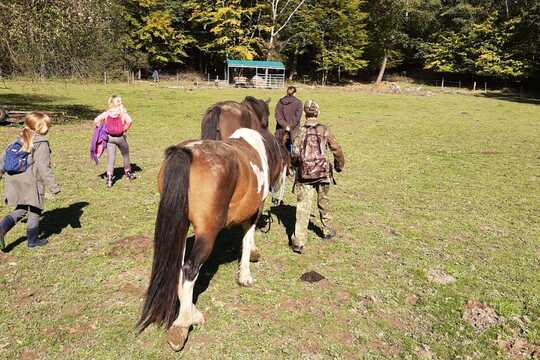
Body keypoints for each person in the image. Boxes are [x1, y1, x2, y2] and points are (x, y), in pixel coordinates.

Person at [290, 100, 345, 254]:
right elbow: (336, 149)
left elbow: (294, 154)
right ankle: (326, 231)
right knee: (324, 203)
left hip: (304, 175)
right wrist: (339, 165)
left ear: (304, 113)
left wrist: (295, 167)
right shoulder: (325, 129)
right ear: (318, 113)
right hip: (323, 174)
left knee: (302, 208)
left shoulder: (298, 131)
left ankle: (299, 242)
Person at [0, 112, 61, 250]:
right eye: (47, 125)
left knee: (21, 208)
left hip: (13, 180)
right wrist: (54, 186)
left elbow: (3, 159)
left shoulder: (17, 139)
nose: (49, 127)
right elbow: (43, 167)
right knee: (35, 208)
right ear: (40, 127)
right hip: (31, 181)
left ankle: (1, 230)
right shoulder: (41, 143)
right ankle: (32, 240)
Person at [94, 95, 136, 188]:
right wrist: (124, 129)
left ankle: (109, 178)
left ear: (111, 103)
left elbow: (96, 120)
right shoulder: (122, 113)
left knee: (111, 158)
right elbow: (130, 121)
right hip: (121, 137)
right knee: (125, 154)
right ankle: (128, 173)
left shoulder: (107, 113)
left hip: (109, 138)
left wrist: (101, 128)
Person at [274, 86, 303, 150]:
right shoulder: (299, 103)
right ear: (295, 93)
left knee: (280, 153)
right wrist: (289, 126)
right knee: (293, 154)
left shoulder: (280, 102)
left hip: (280, 131)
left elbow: (277, 115)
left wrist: (285, 125)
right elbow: (297, 118)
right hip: (293, 132)